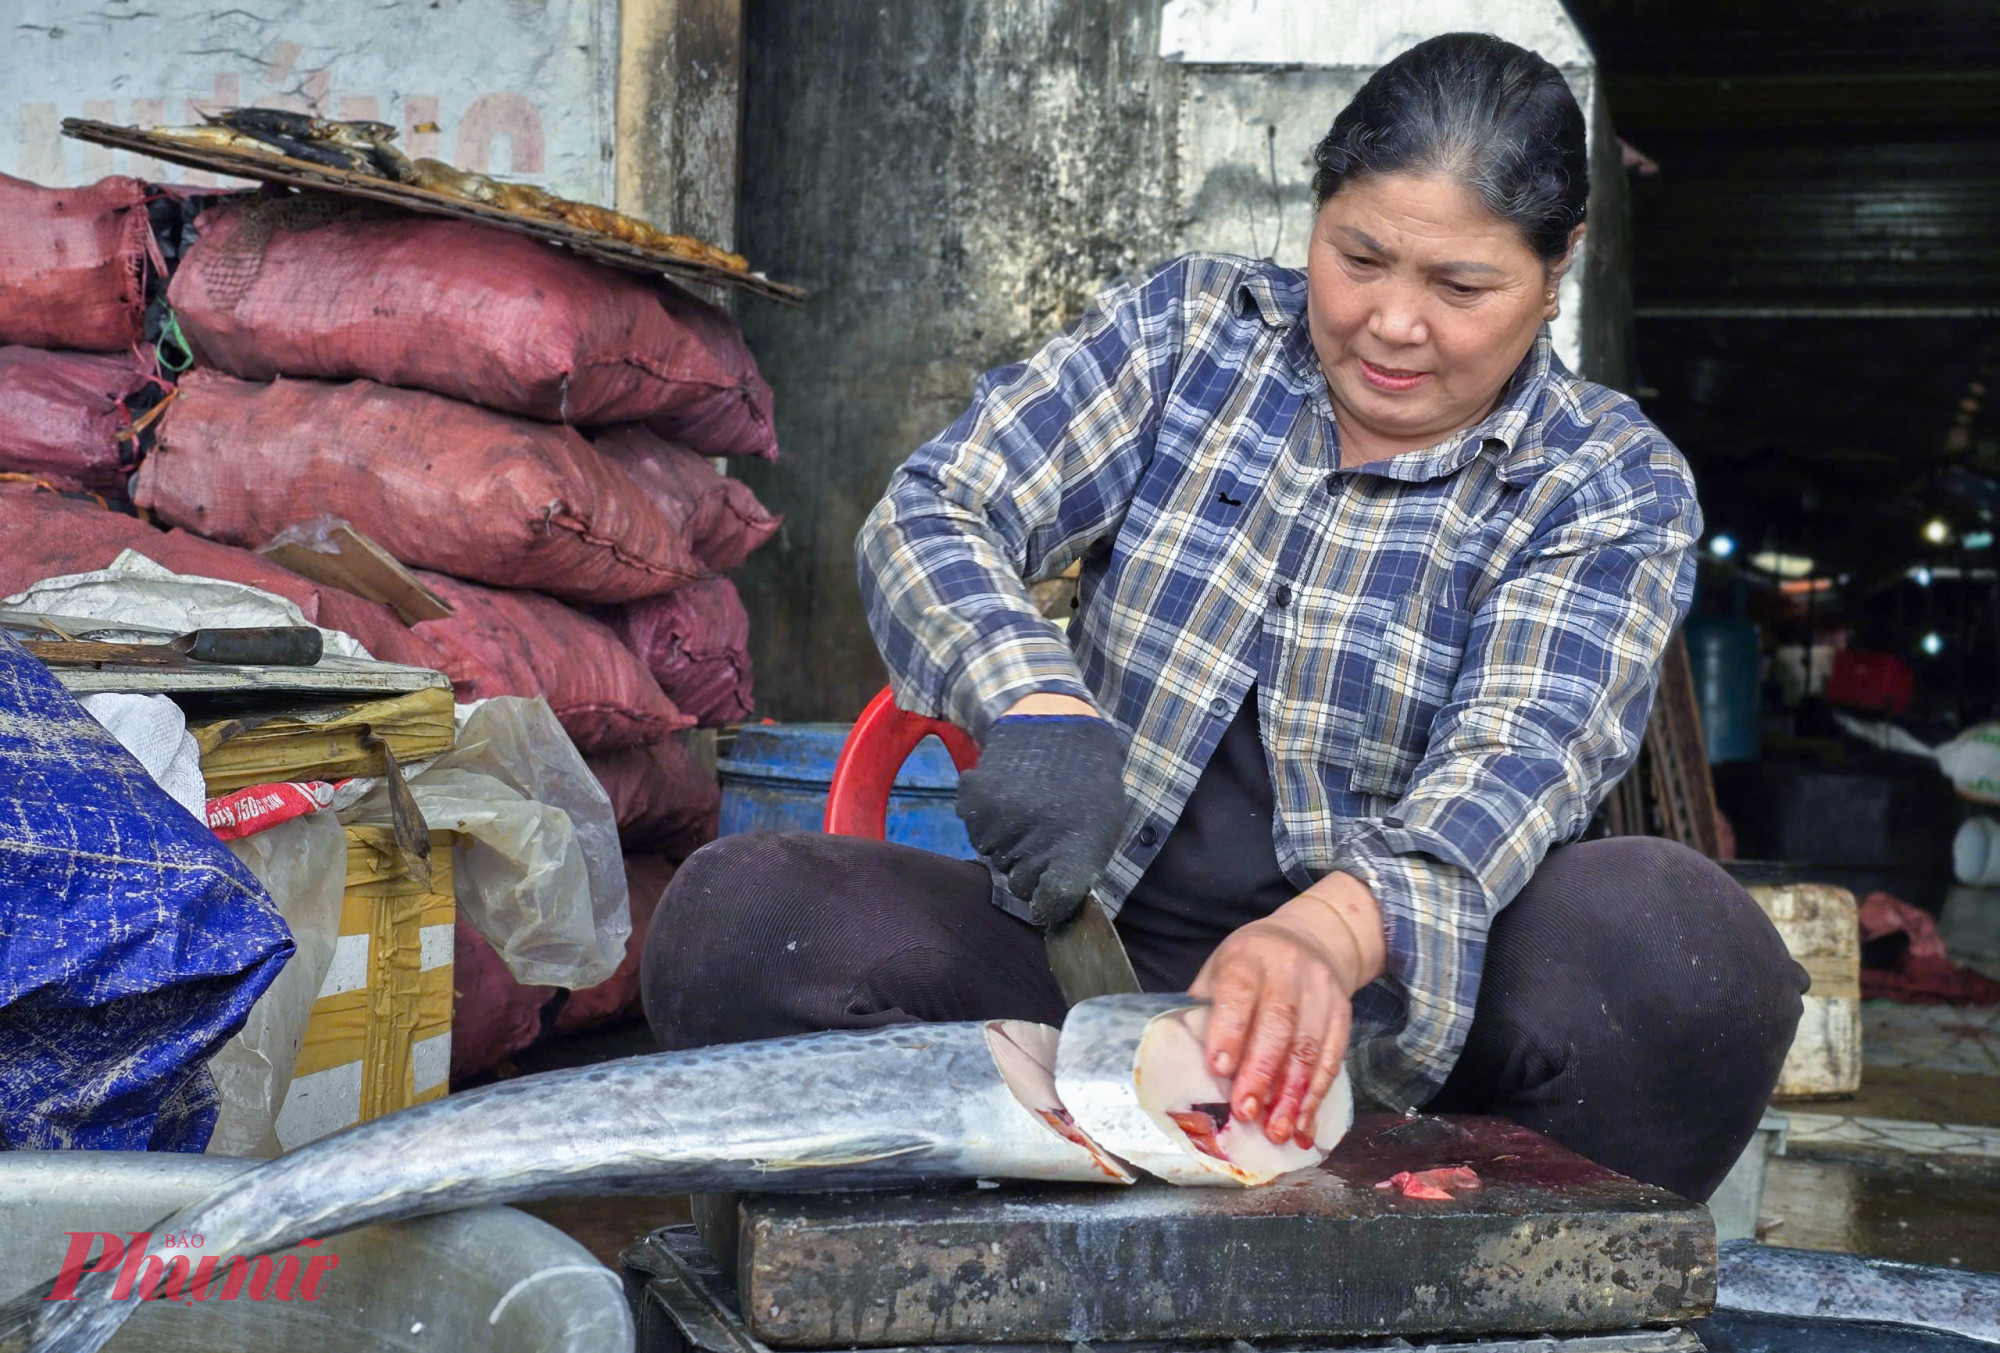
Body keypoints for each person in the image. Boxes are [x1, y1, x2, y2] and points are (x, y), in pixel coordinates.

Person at [644, 32, 1805, 1202]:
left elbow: (1519, 757)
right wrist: (1031, 699)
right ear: (1315, 214)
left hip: (1401, 1009)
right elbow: (940, 508)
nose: (1392, 324)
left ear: (1558, 267)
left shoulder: (1605, 478)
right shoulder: (1188, 334)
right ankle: (1006, 1264)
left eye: (1459, 287)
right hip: (1081, 977)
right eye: (1357, 258)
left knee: (1683, 953)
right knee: (745, 919)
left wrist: (1325, 941)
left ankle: (1473, 1273)